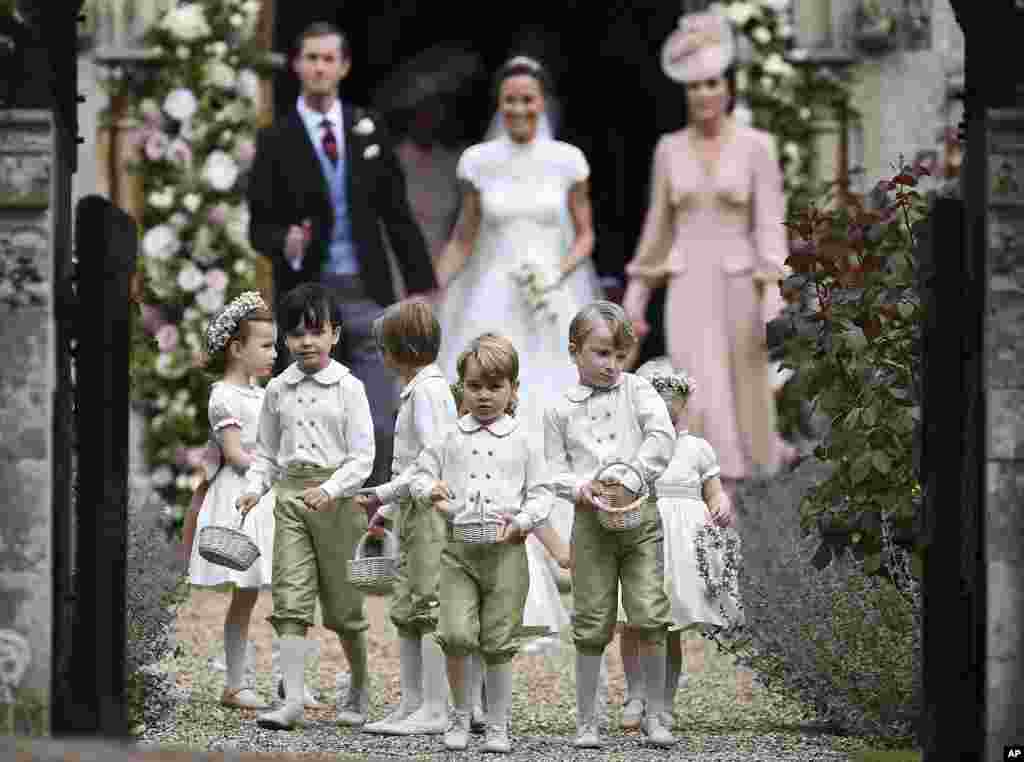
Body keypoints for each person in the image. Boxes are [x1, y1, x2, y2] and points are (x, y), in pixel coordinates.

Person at [434, 54, 598, 656]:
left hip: (551, 299)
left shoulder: (567, 162)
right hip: (491, 300)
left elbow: (586, 234)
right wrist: (434, 286)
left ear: (543, 103)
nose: (521, 109)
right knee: (484, 404)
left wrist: (555, 273)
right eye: (510, 101)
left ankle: (563, 547)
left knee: (552, 410)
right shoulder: (479, 163)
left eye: (529, 100)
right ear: (499, 106)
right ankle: (479, 533)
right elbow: (464, 238)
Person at [247, 21, 437, 490]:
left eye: (328, 59)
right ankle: (308, 524)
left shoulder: (365, 128)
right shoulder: (276, 138)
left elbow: (396, 213)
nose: (319, 67)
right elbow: (257, 227)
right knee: (308, 424)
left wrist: (422, 285)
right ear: (297, 65)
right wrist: (283, 241)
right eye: (311, 58)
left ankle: (373, 525)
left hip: (367, 289)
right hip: (308, 297)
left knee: (380, 418)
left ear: (343, 66)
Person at [622, 8, 797, 503]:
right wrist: (636, 298)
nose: (703, 94)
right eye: (694, 86)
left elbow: (769, 226)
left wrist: (772, 295)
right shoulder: (668, 150)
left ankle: (753, 498)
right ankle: (695, 493)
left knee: (746, 385)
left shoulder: (757, 147)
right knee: (692, 383)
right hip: (687, 282)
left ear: (728, 88)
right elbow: (657, 230)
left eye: (712, 84)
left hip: (742, 281)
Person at [236, 283, 376, 731]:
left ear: (334, 334)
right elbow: (266, 454)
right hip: (291, 502)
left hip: (337, 505)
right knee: (291, 600)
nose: (306, 342)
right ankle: (292, 698)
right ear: (284, 339)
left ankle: (359, 684)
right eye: (296, 334)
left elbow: (363, 457)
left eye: (316, 331)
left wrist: (333, 489)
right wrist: (255, 487)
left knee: (344, 608)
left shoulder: (349, 387)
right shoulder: (278, 389)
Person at [411, 333, 553, 754]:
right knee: (455, 633)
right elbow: (419, 474)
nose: (485, 396)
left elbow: (542, 493)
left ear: (512, 389)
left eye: (495, 387)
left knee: (498, 640)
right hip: (459, 551)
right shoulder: (448, 436)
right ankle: (459, 714)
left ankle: (497, 724)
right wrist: (430, 490)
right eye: (475, 387)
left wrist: (524, 521)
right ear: (461, 388)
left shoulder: (525, 440)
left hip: (506, 551)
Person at [543, 301, 677, 749]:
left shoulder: (638, 392)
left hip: (640, 521)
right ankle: (586, 720)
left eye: (620, 356)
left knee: (650, 613)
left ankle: (657, 714)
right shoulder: (559, 409)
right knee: (591, 621)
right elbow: (553, 467)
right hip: (591, 524)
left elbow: (661, 435)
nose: (613, 365)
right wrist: (580, 487)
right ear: (574, 350)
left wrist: (634, 474)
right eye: (602, 354)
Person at [616, 357, 741, 730]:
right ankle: (636, 692)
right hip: (643, 541)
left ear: (684, 406)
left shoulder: (697, 449)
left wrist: (720, 504)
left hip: (681, 549)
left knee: (668, 626)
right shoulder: (633, 447)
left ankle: (664, 700)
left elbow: (715, 491)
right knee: (633, 622)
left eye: (672, 410)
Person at [353, 299, 457, 736]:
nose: (381, 356)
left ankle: (436, 707)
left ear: (403, 348)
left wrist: (382, 493)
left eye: (384, 348)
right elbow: (410, 463)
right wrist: (390, 511)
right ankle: (412, 701)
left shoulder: (430, 392)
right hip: (411, 511)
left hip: (429, 512)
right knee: (407, 607)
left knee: (429, 605)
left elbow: (431, 460)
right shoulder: (417, 388)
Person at [184, 291, 277, 711]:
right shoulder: (224, 396)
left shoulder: (265, 393)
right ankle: (235, 682)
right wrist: (273, 469)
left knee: (283, 592)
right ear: (237, 349)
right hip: (243, 497)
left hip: (268, 493)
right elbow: (237, 454)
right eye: (266, 345)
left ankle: (286, 678)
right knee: (246, 592)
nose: (274, 353)